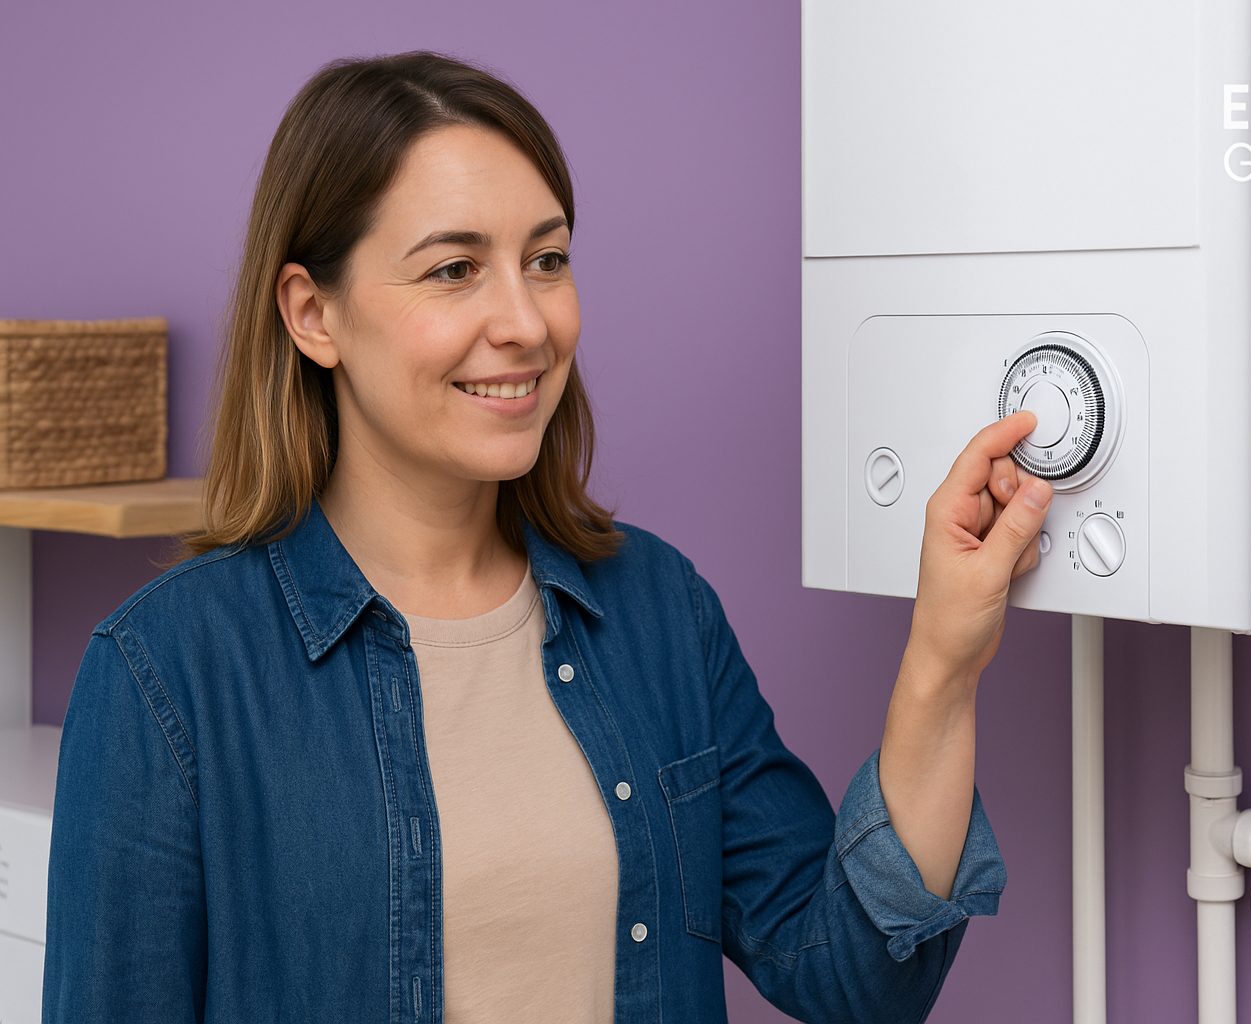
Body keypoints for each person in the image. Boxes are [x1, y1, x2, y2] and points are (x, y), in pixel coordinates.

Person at [40, 50, 1051, 1024]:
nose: (526, 321)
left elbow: (858, 981)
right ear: (314, 314)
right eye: (453, 270)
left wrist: (942, 659)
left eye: (548, 259)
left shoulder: (660, 611)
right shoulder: (166, 673)